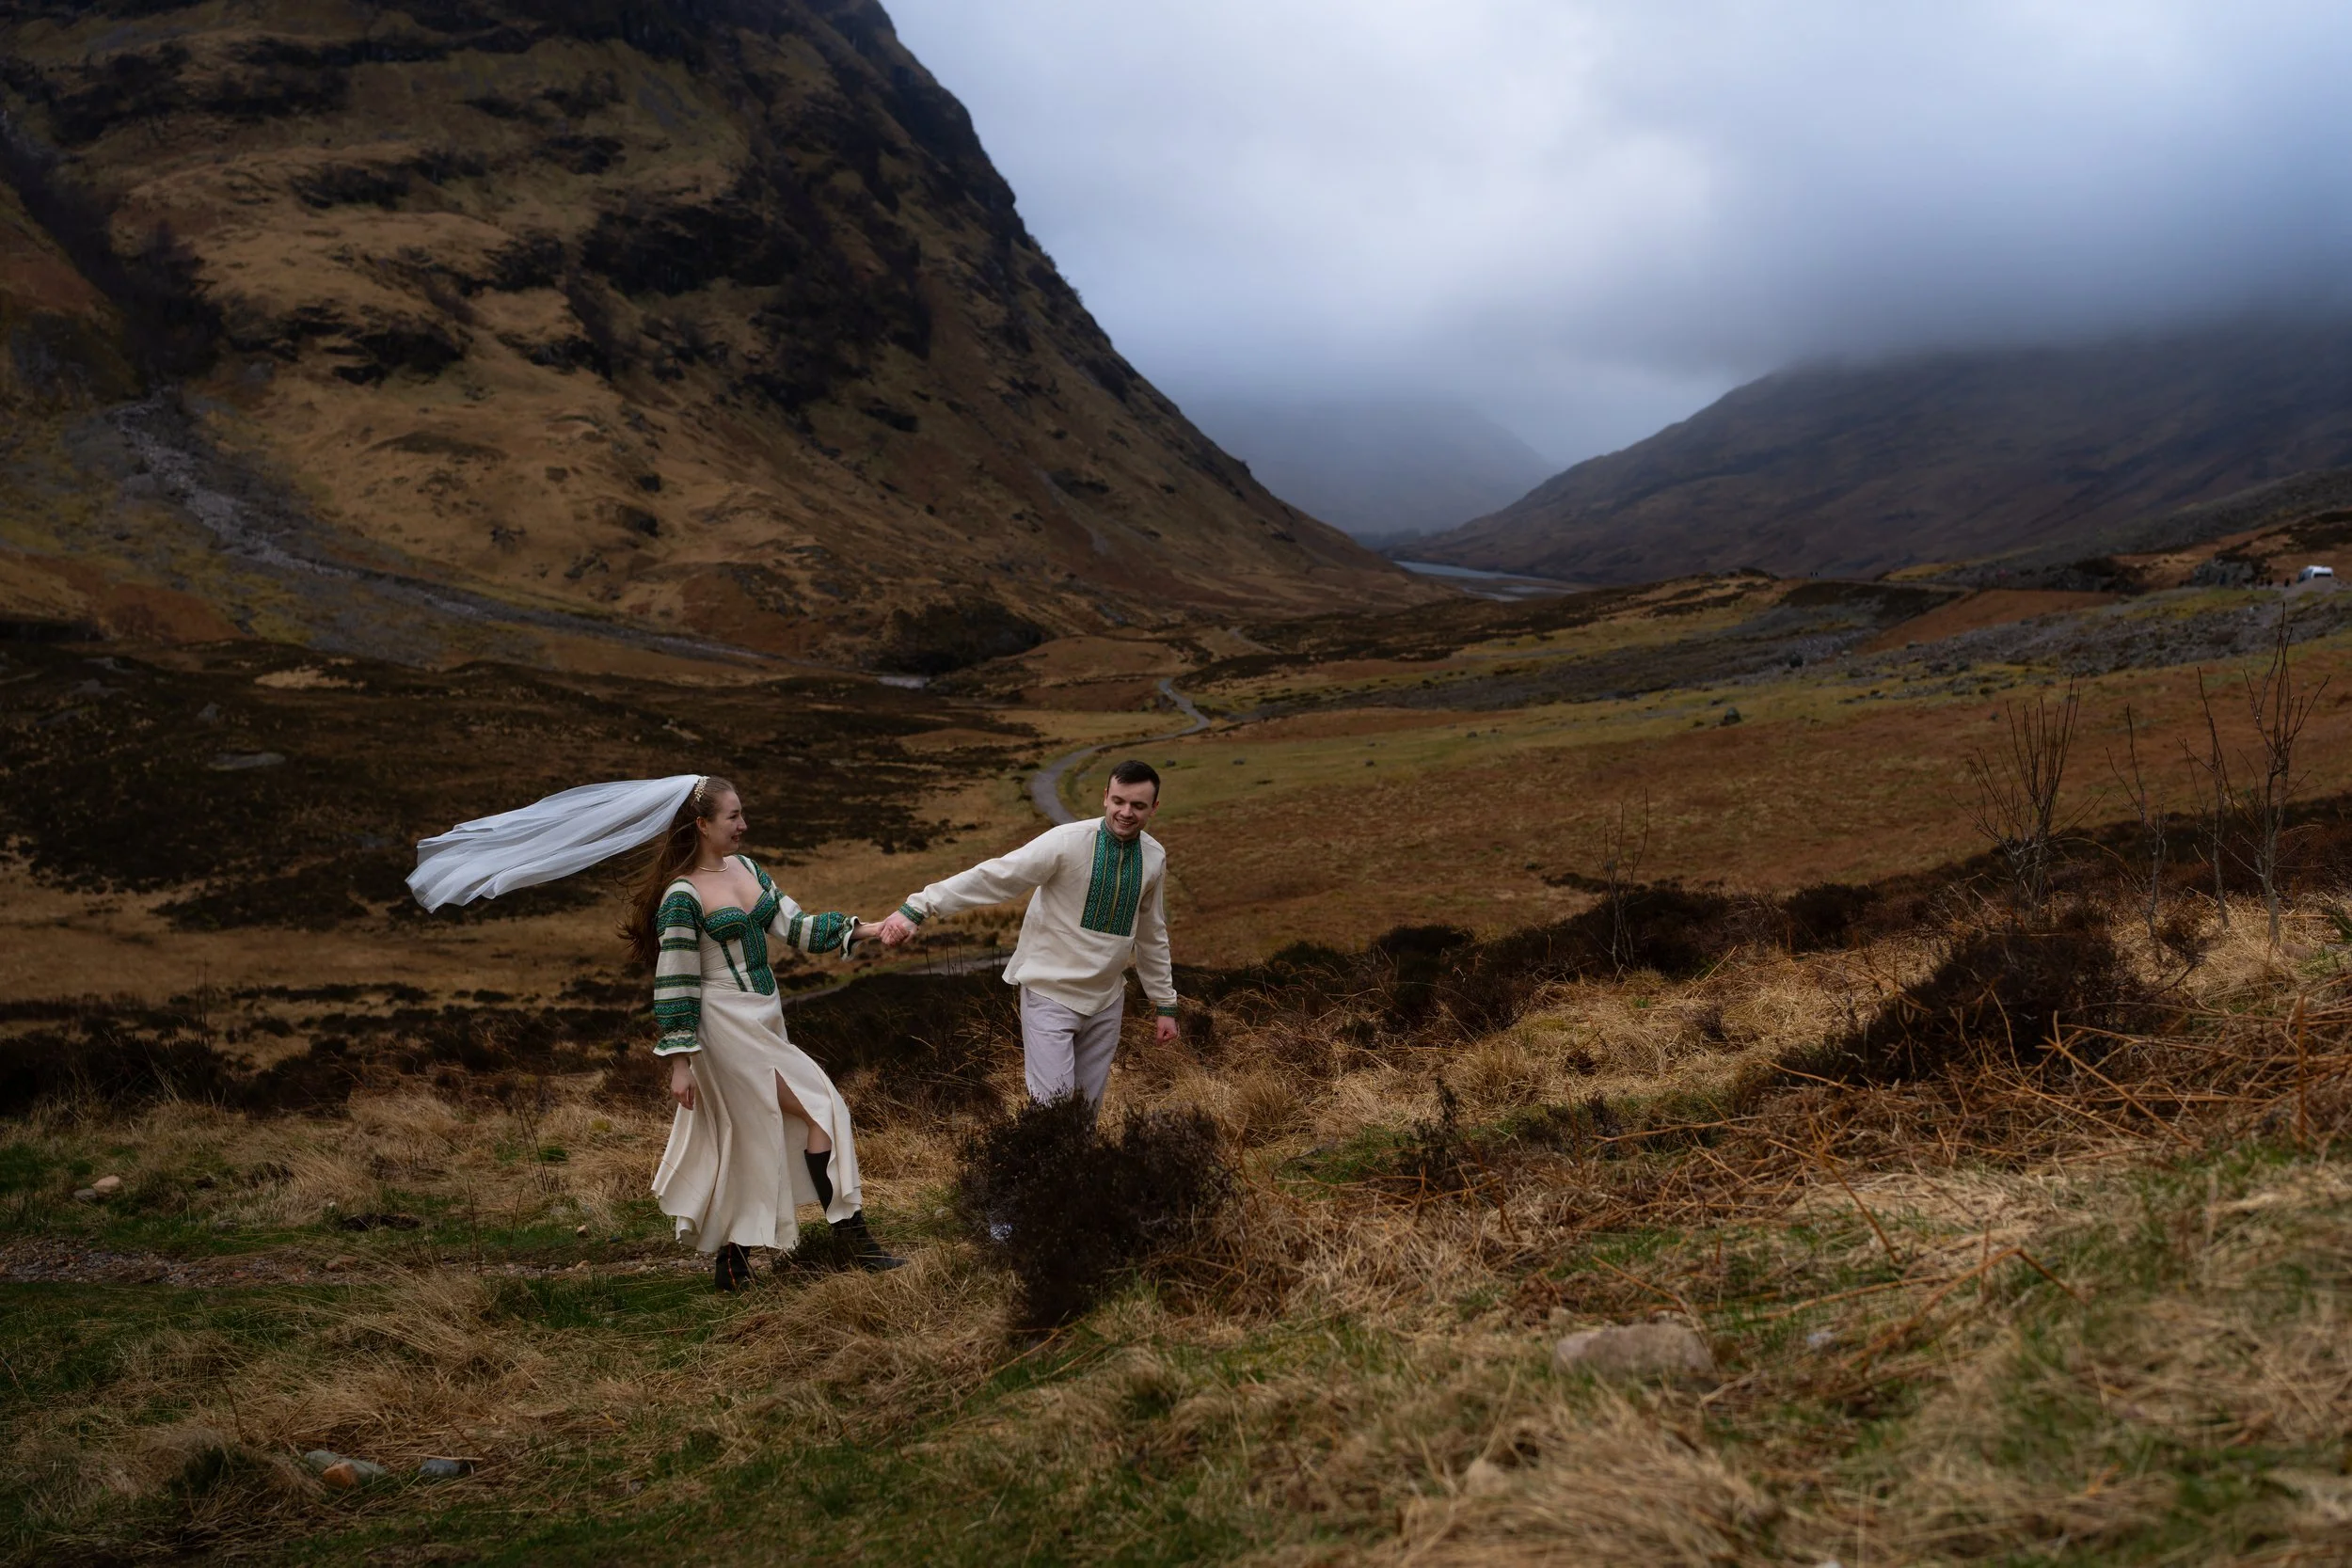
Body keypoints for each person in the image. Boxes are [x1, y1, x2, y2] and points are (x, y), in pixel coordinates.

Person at [408, 772, 901, 1291]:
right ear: (702, 824)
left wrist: (865, 929)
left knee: (761, 1133)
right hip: (722, 1028)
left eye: (741, 813)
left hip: (765, 1020)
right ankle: (854, 1246)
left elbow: (796, 927)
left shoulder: (749, 869)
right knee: (815, 1109)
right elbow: (676, 980)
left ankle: (736, 1264)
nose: (743, 824)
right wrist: (680, 1063)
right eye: (733, 816)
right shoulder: (681, 897)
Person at [875, 759, 1178, 1109]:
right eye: (1119, 801)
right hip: (1050, 993)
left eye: (1138, 805)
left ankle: (1077, 1166)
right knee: (1053, 1110)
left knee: (1086, 1112)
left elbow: (1152, 932)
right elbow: (996, 877)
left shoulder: (1154, 857)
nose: (1126, 812)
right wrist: (919, 908)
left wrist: (1164, 1002)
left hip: (1106, 1001)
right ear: (1105, 797)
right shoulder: (1066, 842)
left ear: (1153, 808)